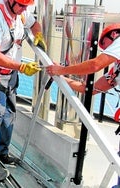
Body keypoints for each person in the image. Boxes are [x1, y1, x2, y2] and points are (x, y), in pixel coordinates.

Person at [0, 0, 47, 182]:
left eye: (27, 6)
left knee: (9, 115)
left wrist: (38, 35)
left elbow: (34, 24)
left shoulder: (21, 13)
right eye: (23, 5)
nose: (25, 10)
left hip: (11, 76)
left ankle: (2, 153)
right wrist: (22, 67)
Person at [46, 23, 120, 187]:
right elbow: (89, 89)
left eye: (105, 45)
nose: (105, 50)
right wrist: (59, 76)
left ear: (114, 35)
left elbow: (95, 65)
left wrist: (61, 70)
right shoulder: (116, 72)